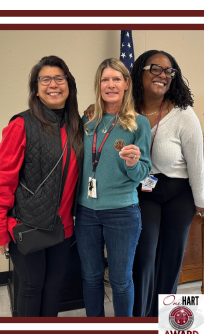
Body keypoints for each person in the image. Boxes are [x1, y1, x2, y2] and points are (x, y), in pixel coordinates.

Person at [84, 50, 204, 317]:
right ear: (139, 72)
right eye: (156, 69)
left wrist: (203, 203)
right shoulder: (128, 110)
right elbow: (103, 120)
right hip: (144, 192)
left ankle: (169, 323)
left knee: (171, 260)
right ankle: (139, 321)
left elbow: (197, 163)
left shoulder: (184, 115)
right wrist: (96, 109)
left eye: (168, 71)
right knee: (144, 257)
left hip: (178, 193)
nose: (163, 75)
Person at [0, 56, 83, 317]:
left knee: (54, 288)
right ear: (36, 88)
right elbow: (2, 181)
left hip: (63, 228)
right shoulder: (21, 125)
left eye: (59, 78)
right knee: (32, 287)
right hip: (28, 225)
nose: (53, 84)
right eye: (45, 79)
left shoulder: (77, 126)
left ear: (69, 84)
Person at [75, 58, 152, 317]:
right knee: (91, 277)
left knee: (120, 280)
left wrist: (132, 162)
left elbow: (143, 172)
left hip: (121, 211)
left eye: (116, 79)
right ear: (98, 84)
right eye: (105, 79)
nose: (110, 85)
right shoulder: (86, 121)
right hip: (86, 212)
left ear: (126, 83)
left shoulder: (138, 123)